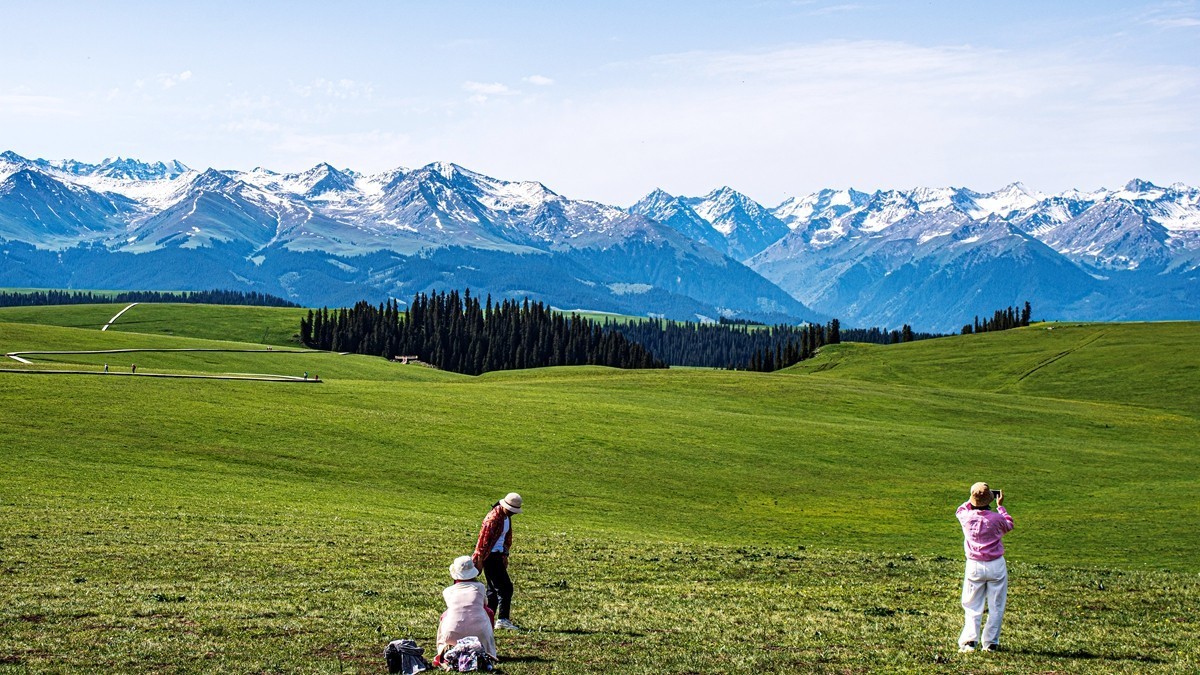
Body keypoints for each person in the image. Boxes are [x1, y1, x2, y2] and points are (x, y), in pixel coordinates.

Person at [956, 482, 1014, 653]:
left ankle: (970, 641)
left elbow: (960, 509)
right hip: (996, 564)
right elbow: (1009, 524)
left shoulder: (965, 516)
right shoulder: (996, 518)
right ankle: (990, 643)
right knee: (996, 604)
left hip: (974, 564)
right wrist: (1001, 507)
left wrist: (974, 498)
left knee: (972, 604)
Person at [434, 556, 497, 667]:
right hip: (479, 634)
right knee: (487, 612)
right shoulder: (480, 587)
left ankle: (443, 647)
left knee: (445, 616)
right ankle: (487, 646)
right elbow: (485, 606)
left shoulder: (448, 591)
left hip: (452, 634)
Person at [472, 492, 523, 630]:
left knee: (493, 589)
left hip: (498, 555)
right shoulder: (493, 518)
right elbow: (483, 541)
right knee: (505, 587)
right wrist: (480, 559)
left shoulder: (506, 517)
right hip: (491, 556)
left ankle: (488, 618)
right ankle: (502, 619)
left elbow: (506, 538)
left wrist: (505, 555)